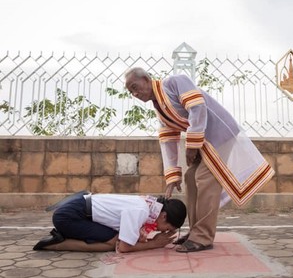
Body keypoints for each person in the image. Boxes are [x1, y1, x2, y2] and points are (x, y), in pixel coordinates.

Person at [124, 68, 275, 253]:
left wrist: (193, 144)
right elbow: (168, 140)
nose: (135, 93)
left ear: (146, 79)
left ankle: (203, 237)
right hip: (203, 141)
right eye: (131, 91)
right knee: (190, 177)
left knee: (205, 178)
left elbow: (197, 107)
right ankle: (196, 231)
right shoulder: (159, 109)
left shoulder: (174, 82)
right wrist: (173, 177)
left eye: (135, 87)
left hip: (220, 135)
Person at [33, 192, 187, 252]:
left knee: (117, 236)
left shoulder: (148, 205)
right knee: (113, 243)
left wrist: (139, 236)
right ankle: (56, 244)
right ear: (164, 216)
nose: (163, 231)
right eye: (167, 228)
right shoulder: (141, 211)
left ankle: (68, 236)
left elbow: (130, 228)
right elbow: (124, 247)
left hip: (78, 211)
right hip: (69, 216)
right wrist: (155, 244)